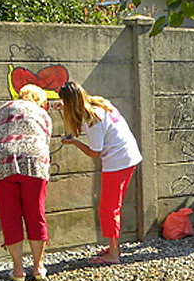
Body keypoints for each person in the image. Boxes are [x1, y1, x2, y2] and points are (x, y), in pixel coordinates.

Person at [58, 81, 143, 264]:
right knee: (113, 206)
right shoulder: (99, 103)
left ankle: (113, 255)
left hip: (117, 162)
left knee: (108, 209)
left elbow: (95, 153)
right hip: (127, 156)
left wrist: (74, 142)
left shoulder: (93, 120)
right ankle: (114, 247)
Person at [0, 84, 54, 281]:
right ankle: (38, 267)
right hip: (34, 162)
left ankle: (18, 270)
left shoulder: (3, 109)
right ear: (41, 100)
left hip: (2, 161)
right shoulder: (43, 114)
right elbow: (45, 142)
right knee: (35, 212)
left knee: (9, 215)